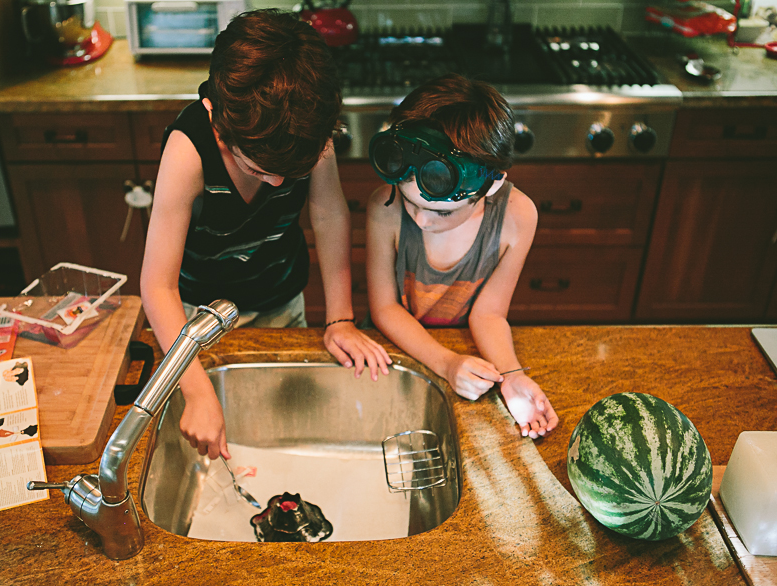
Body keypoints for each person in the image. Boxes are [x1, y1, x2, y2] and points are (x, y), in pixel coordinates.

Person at [140, 9, 391, 461]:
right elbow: (157, 285)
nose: (278, 185)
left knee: (281, 433)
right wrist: (196, 392)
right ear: (217, 117)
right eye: (259, 170)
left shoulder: (309, 132)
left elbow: (330, 214)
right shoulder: (187, 150)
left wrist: (340, 318)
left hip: (281, 301)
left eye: (289, 175)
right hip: (195, 323)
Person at [365, 73, 558, 439]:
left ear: (492, 184)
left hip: (467, 352)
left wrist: (512, 377)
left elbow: (489, 312)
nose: (421, 220)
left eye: (441, 213)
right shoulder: (383, 207)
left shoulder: (517, 218)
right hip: (399, 351)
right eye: (409, 202)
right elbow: (384, 309)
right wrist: (447, 362)